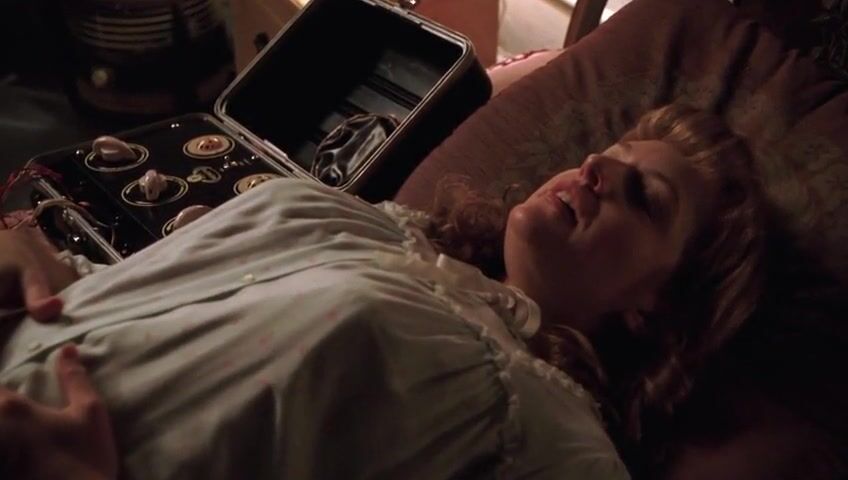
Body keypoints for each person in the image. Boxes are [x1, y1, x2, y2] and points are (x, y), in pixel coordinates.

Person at [0, 103, 764, 480]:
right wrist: (27, 256)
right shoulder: (366, 222)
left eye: (645, 197)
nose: (598, 167)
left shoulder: (553, 446)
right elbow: (109, 295)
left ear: (657, 309)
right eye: (612, 150)